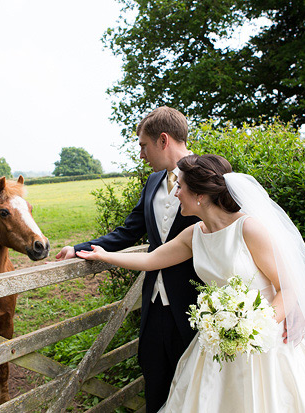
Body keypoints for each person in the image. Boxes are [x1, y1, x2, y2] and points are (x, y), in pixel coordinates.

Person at [76, 154, 305, 412]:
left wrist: (254, 328)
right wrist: (104, 255)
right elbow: (152, 261)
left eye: (180, 187)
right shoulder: (194, 233)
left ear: (200, 195)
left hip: (264, 345)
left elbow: (287, 286)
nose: (176, 193)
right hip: (216, 345)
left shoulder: (248, 229)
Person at [56, 106, 202, 412]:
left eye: (143, 145)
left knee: (193, 394)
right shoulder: (152, 183)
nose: (141, 154)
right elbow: (129, 230)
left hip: (194, 309)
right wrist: (80, 248)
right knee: (155, 388)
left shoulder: (209, 176)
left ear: (163, 140)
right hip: (152, 309)